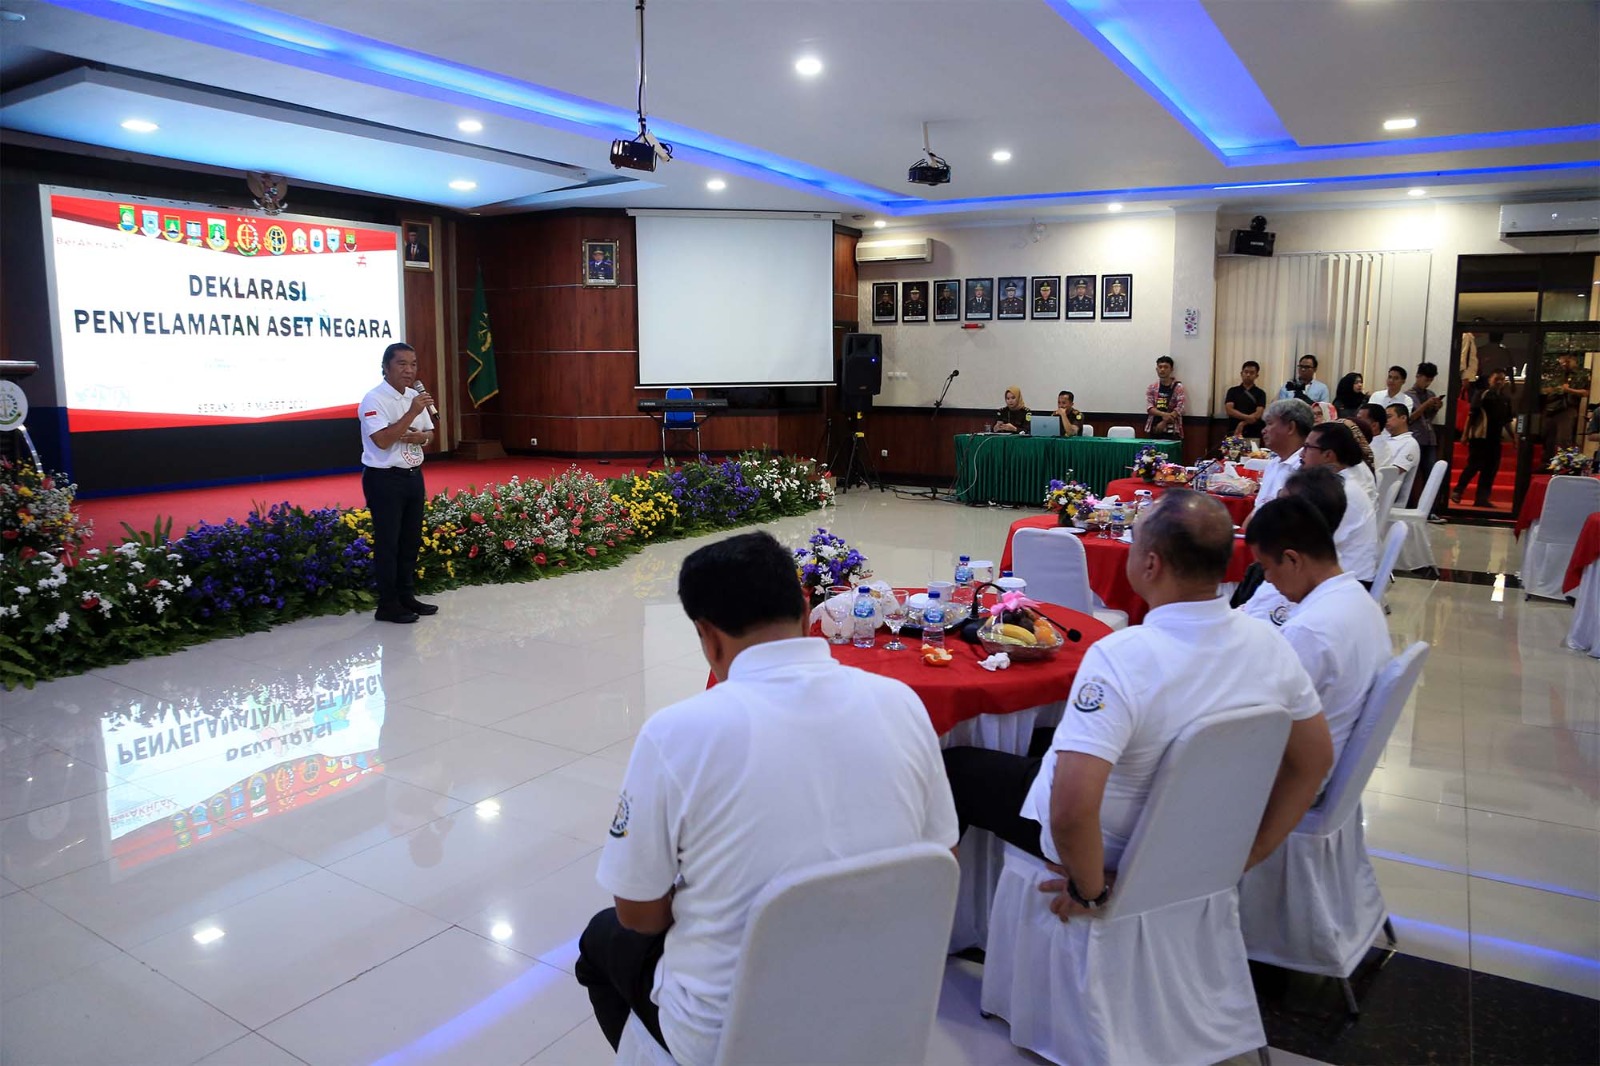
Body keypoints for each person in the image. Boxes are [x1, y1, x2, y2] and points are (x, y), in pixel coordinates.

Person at [578, 531, 958, 1062]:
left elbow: (638, 914)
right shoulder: (901, 702)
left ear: (707, 637)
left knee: (599, 943)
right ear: (806, 610)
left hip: (732, 1035)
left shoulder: (677, 733)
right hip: (881, 1004)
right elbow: (943, 859)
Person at [941, 491, 1331, 908]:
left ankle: (943, 920)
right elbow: (1315, 761)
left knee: (954, 769)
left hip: (1114, 843)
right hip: (1197, 834)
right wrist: (1248, 855)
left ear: (1150, 563)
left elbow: (1072, 811)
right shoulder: (1271, 645)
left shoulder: (1122, 657)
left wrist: (1091, 889)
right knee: (1042, 738)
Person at [1243, 494, 1391, 768]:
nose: (1267, 579)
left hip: (1295, 775)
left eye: (1265, 568)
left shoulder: (1309, 630)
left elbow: (1258, 719)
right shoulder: (1360, 599)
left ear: (1292, 560)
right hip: (1327, 753)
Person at [359, 342, 436, 624]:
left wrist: (422, 438)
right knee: (389, 542)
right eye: (402, 364)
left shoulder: (415, 396)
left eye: (413, 364)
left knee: (410, 541)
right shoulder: (374, 399)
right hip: (384, 478)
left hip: (413, 476)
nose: (409, 370)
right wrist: (411, 413)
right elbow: (381, 440)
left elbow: (430, 435)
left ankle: (406, 596)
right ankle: (387, 604)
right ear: (386, 367)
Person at [1295, 437, 1379, 584]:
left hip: (1349, 579)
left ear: (1328, 455)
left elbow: (1310, 543)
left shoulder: (1341, 490)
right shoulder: (1343, 481)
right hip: (1345, 571)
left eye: (1307, 447)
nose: (1301, 454)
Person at [1452, 369, 1516, 507]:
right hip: (1479, 437)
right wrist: (1465, 434)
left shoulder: (1505, 399)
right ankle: (1458, 491)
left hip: (1495, 439)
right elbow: (1472, 414)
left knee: (1490, 470)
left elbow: (1507, 421)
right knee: (1474, 465)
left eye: (1501, 379)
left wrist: (1513, 438)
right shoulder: (1481, 394)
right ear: (1489, 380)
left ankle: (1482, 498)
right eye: (1496, 379)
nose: (1499, 382)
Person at [1254, 398, 1312, 509]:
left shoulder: (1305, 467)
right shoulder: (1273, 464)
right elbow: (1256, 510)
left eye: (1269, 424)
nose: (1263, 430)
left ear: (1291, 427)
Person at [1406, 362, 1446, 520]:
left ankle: (1430, 510)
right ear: (1418, 376)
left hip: (1429, 439)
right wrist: (1425, 406)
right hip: (1414, 439)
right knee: (1411, 475)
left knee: (1431, 475)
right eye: (1425, 379)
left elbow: (1428, 418)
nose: (1427, 382)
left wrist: (1435, 407)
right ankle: (1408, 507)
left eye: (1430, 380)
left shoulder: (1430, 394)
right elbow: (1409, 418)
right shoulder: (1408, 395)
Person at [1542, 351, 1590, 458]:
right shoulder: (1555, 373)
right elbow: (1544, 389)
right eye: (1562, 361)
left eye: (1567, 361)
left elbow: (1585, 392)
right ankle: (1547, 462)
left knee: (1563, 438)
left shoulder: (1582, 374)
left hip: (1567, 408)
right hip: (1551, 407)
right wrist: (1556, 389)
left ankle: (1565, 463)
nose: (1564, 364)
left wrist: (1568, 390)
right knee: (1548, 437)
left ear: (1574, 360)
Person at [1382, 402, 1422, 504]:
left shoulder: (1410, 443)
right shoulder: (1384, 439)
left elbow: (1394, 473)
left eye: (1389, 417)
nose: (1385, 421)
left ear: (1403, 418)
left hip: (1391, 497)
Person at [1144, 356, 1185, 440]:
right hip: (1154, 427)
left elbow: (1180, 408)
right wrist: (1164, 415)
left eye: (1166, 367)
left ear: (1171, 369)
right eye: (1160, 367)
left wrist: (1164, 421)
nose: (1162, 369)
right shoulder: (1152, 387)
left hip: (1172, 429)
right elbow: (1149, 408)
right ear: (1157, 369)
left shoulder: (1178, 387)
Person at [1225, 361, 1268, 439]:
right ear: (1241, 373)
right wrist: (1248, 418)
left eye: (1252, 373)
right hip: (1234, 429)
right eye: (1246, 372)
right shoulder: (1232, 391)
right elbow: (1229, 410)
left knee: (1254, 451)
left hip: (1254, 430)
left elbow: (1258, 413)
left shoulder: (1261, 393)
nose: (1248, 375)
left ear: (1256, 375)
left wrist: (1242, 423)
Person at [1356, 403, 1390, 468]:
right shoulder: (1383, 445)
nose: (1355, 423)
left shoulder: (1368, 450)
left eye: (1359, 420)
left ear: (1374, 426)